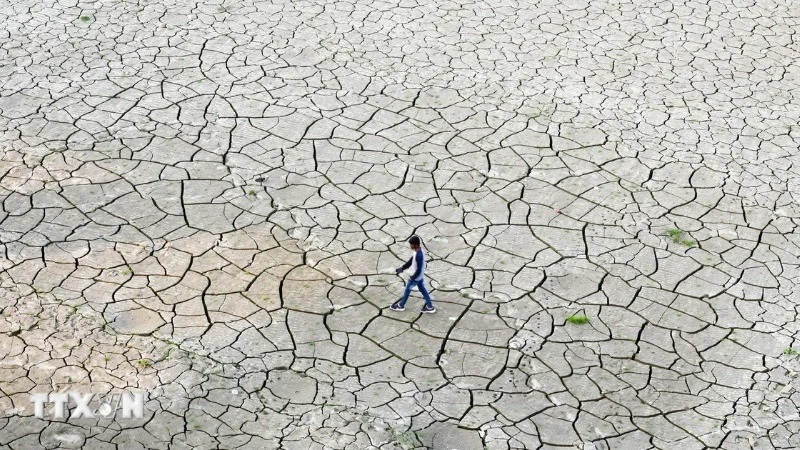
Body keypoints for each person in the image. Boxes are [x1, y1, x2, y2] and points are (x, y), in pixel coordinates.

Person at [391, 235, 436, 313]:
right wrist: (403, 268)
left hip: (415, 278)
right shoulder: (417, 251)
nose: (410, 246)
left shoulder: (419, 255)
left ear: (416, 244)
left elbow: (418, 269)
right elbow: (411, 260)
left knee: (406, 291)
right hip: (419, 277)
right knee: (423, 291)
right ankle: (430, 307)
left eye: (411, 244)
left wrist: (413, 278)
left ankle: (400, 306)